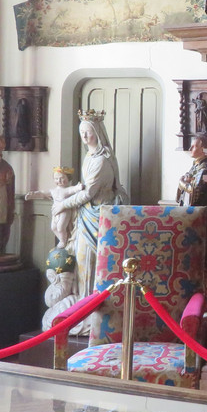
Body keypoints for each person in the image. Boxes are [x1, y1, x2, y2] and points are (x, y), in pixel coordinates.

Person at [54, 109, 126, 331]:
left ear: (98, 132)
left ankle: (92, 311)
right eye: (82, 132)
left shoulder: (101, 161)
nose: (84, 137)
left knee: (92, 263)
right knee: (82, 264)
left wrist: (63, 204)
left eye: (88, 132)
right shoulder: (90, 157)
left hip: (97, 217)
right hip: (87, 215)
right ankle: (84, 308)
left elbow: (88, 193)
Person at [26, 166, 83, 250]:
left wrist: (79, 187)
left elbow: (74, 189)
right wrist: (33, 195)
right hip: (55, 211)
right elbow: (43, 193)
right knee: (53, 228)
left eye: (62, 178)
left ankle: (63, 241)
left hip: (64, 211)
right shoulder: (54, 191)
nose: (59, 181)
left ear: (68, 178)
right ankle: (64, 240)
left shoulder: (67, 190)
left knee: (60, 227)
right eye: (56, 179)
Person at [175, 134, 207, 206]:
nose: (190, 149)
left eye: (194, 146)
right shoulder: (195, 166)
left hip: (197, 208)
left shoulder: (204, 167)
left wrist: (181, 182)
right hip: (187, 207)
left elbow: (195, 190)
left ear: (203, 149)